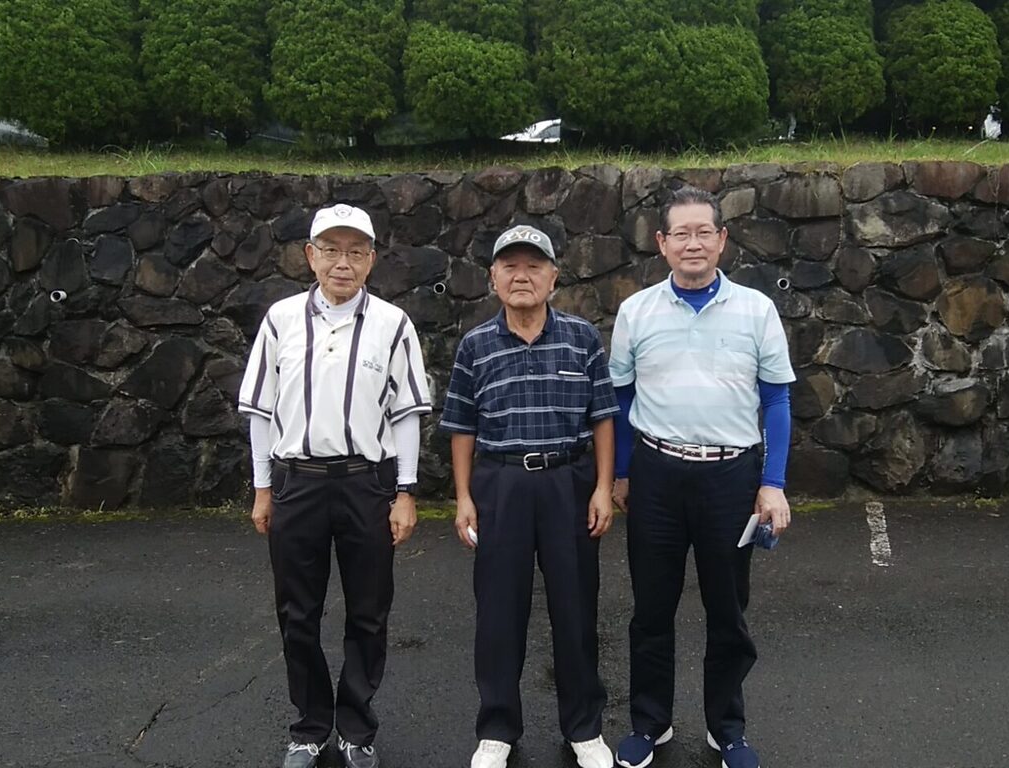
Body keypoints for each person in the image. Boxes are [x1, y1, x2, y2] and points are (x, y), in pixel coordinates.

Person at [238, 203, 431, 768]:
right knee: (297, 613)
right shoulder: (280, 320)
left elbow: (406, 414)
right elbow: (260, 411)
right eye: (330, 250)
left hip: (366, 484)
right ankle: (309, 727)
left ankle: (356, 728)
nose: (341, 263)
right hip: (296, 482)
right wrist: (262, 488)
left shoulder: (393, 324)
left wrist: (405, 493)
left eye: (354, 252)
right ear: (310, 255)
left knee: (369, 612)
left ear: (371, 260)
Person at [610, 187, 795, 768]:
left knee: (727, 610)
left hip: (730, 478)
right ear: (662, 243)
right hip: (656, 476)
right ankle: (650, 723)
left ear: (722, 239)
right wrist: (621, 473)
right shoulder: (636, 312)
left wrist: (773, 482)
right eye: (680, 233)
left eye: (704, 232)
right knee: (651, 609)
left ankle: (727, 728)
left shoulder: (756, 310)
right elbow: (620, 400)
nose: (693, 243)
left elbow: (777, 401)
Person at [440, 224, 619, 768]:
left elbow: (603, 418)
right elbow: (462, 427)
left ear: (553, 277)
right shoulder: (475, 345)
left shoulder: (581, 338)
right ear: (493, 277)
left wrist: (603, 488)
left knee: (576, 609)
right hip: (501, 485)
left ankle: (583, 728)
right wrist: (464, 497)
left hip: (569, 483)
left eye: (534, 266)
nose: (522, 276)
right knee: (499, 612)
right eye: (510, 267)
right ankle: (497, 728)